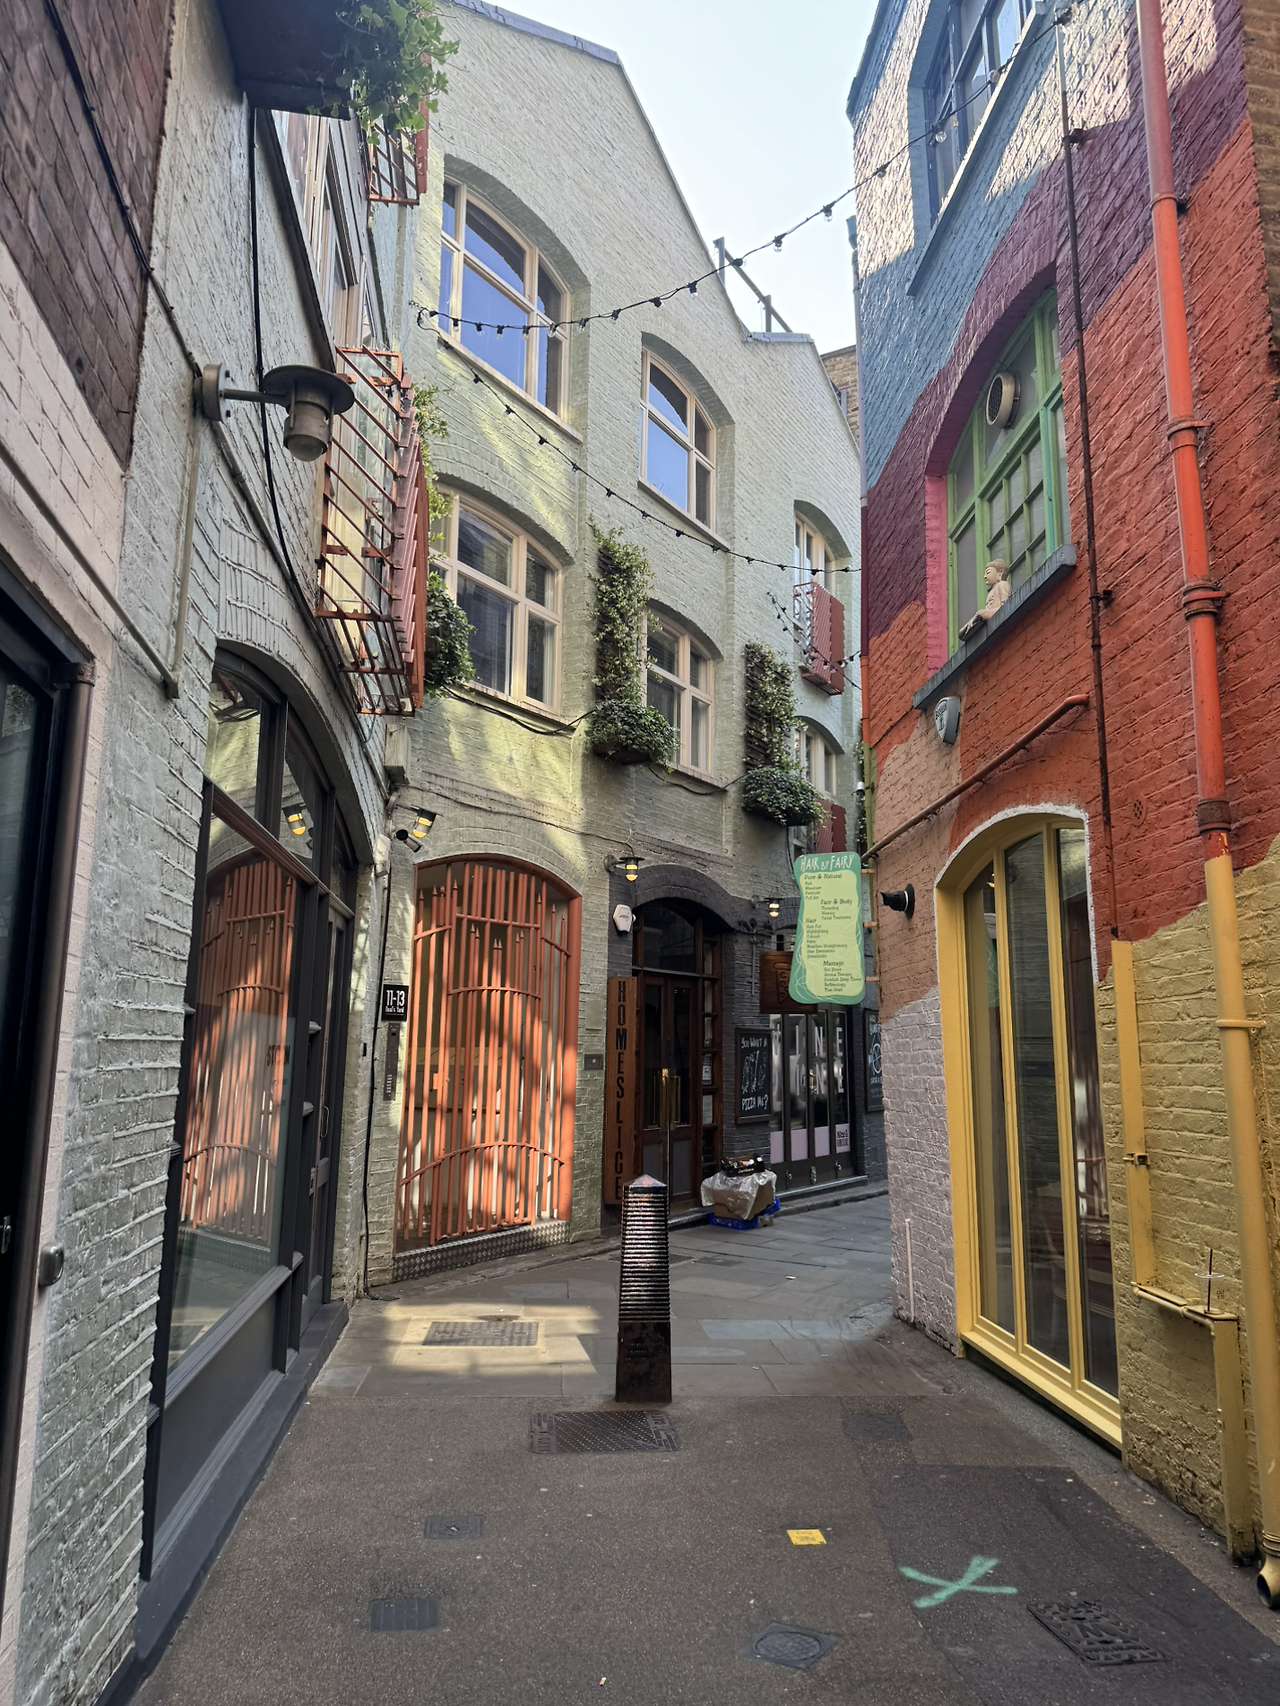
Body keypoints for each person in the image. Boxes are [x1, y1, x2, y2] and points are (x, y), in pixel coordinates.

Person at [959, 558, 1011, 641]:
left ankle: (975, 624)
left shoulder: (1002, 584)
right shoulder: (991, 591)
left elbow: (1005, 605)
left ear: (1000, 573)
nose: (985, 576)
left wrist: (986, 613)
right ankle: (972, 626)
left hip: (996, 612)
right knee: (960, 633)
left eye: (988, 572)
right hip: (988, 614)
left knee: (979, 613)